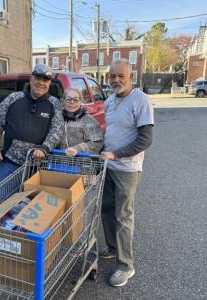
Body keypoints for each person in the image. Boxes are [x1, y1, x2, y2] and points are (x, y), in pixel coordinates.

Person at [100, 59, 154, 287]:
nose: (116, 80)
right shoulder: (109, 101)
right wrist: (103, 152)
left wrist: (117, 154)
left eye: (121, 76)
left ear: (131, 76)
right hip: (108, 167)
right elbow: (110, 132)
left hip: (127, 169)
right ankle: (113, 248)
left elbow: (145, 139)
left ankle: (125, 266)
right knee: (106, 210)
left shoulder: (141, 100)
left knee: (123, 216)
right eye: (112, 76)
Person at [0, 64, 64, 194]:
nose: (41, 82)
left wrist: (45, 148)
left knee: (31, 206)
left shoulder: (54, 103)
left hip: (38, 166)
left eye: (45, 80)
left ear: (49, 83)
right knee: (4, 206)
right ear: (31, 79)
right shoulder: (13, 98)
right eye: (37, 78)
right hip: (10, 163)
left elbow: (57, 130)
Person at [59, 87, 104, 156]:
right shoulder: (57, 118)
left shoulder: (89, 120)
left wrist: (77, 149)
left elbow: (97, 143)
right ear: (63, 101)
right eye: (68, 99)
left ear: (81, 102)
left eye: (75, 100)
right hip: (57, 163)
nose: (72, 102)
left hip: (81, 164)